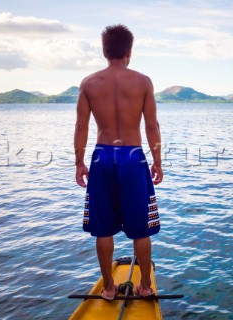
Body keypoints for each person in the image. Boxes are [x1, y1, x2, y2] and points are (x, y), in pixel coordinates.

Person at [74, 24, 163, 300]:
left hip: (102, 156)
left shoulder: (89, 83)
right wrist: (157, 160)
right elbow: (151, 126)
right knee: (141, 229)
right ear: (129, 51)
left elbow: (81, 127)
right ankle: (145, 286)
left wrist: (79, 162)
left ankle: (110, 288)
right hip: (133, 157)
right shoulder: (142, 81)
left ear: (104, 51)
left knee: (102, 227)